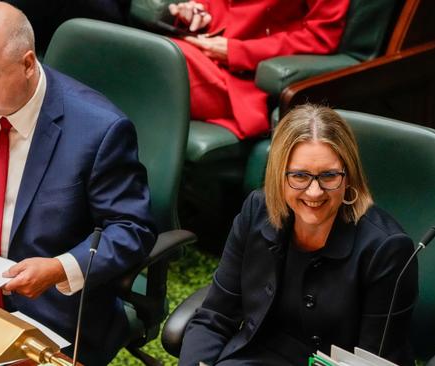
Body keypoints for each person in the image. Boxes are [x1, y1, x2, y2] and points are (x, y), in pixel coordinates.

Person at [0, 3, 156, 365]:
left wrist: (59, 269)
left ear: (27, 63)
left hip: (45, 314)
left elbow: (133, 229)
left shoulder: (98, 130)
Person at [179, 105, 418, 365]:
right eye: (300, 176)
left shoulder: (387, 249)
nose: (314, 192)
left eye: (329, 176)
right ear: (279, 175)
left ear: (349, 176)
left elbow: (371, 362)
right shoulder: (257, 211)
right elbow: (215, 317)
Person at [167, 0, 350, 139]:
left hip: (245, 80)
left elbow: (320, 37)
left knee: (161, 59)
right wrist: (198, 9)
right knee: (151, 51)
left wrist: (238, 52)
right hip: (203, 47)